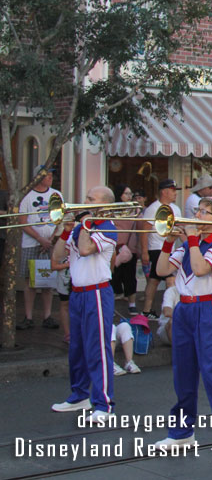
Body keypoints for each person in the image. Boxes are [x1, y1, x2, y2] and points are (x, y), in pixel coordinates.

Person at [152, 194, 212, 467]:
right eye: (198, 210)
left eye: (205, 212)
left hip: (207, 309)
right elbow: (161, 270)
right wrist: (170, 240)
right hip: (184, 310)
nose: (198, 215)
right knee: (182, 375)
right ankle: (182, 433)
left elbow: (200, 268)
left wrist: (191, 238)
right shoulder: (188, 245)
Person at [49, 186, 118, 422]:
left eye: (90, 199)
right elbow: (57, 257)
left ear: (104, 206)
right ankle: (79, 395)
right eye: (86, 197)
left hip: (97, 293)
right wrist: (66, 230)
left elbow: (87, 249)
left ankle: (104, 403)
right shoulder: (81, 228)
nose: (85, 201)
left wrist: (84, 224)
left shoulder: (107, 228)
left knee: (97, 348)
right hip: (77, 293)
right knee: (76, 347)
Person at [17, 165, 61, 330]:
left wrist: (50, 239)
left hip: (49, 243)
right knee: (30, 281)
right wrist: (39, 238)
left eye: (51, 174)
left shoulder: (56, 195)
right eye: (47, 174)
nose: (50, 177)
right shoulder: (27, 197)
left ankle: (47, 316)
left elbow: (59, 220)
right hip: (31, 243)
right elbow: (23, 221)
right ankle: (28, 317)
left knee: (47, 281)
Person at [140, 178, 181, 319]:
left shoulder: (176, 209)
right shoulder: (153, 208)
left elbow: (179, 230)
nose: (175, 193)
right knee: (171, 279)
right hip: (157, 248)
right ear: (164, 192)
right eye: (172, 190)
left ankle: (146, 310)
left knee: (154, 279)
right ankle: (170, 310)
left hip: (170, 249)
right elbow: (145, 230)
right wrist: (144, 252)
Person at [110, 183, 142, 315]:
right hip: (114, 248)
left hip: (130, 247)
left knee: (130, 276)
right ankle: (110, 304)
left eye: (130, 194)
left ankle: (132, 304)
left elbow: (140, 226)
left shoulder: (135, 209)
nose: (129, 196)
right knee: (112, 276)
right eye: (126, 194)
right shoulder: (111, 209)